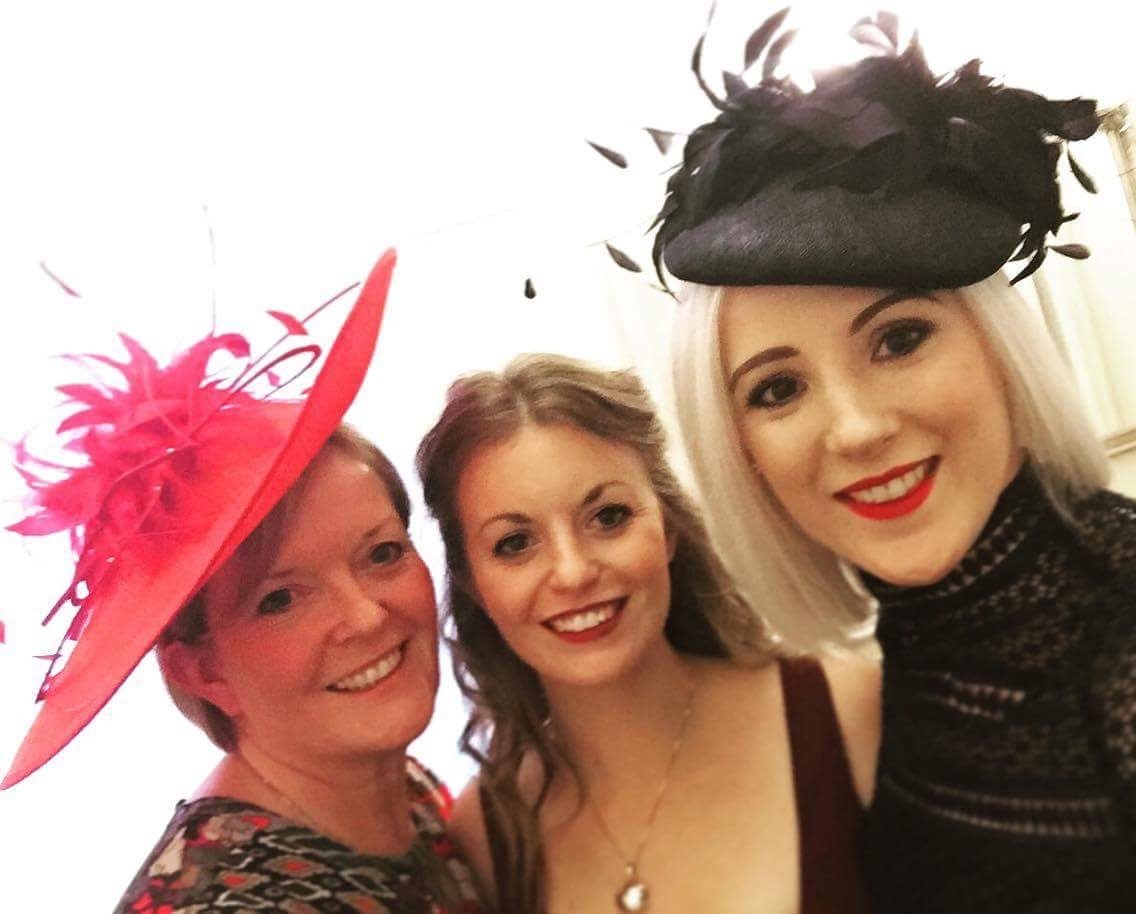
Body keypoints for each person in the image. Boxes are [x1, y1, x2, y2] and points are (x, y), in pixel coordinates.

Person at [658, 11, 1136, 913]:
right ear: (740, 454)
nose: (856, 429)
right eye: (776, 389)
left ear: (998, 348)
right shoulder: (919, 643)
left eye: (900, 338)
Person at [3, 251, 484, 913]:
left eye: (381, 554)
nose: (367, 615)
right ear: (202, 671)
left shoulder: (404, 790)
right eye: (279, 599)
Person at [415, 353, 881, 914]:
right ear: (472, 583)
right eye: (515, 544)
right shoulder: (485, 836)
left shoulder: (847, 709)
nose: (573, 572)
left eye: (608, 517)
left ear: (667, 525)